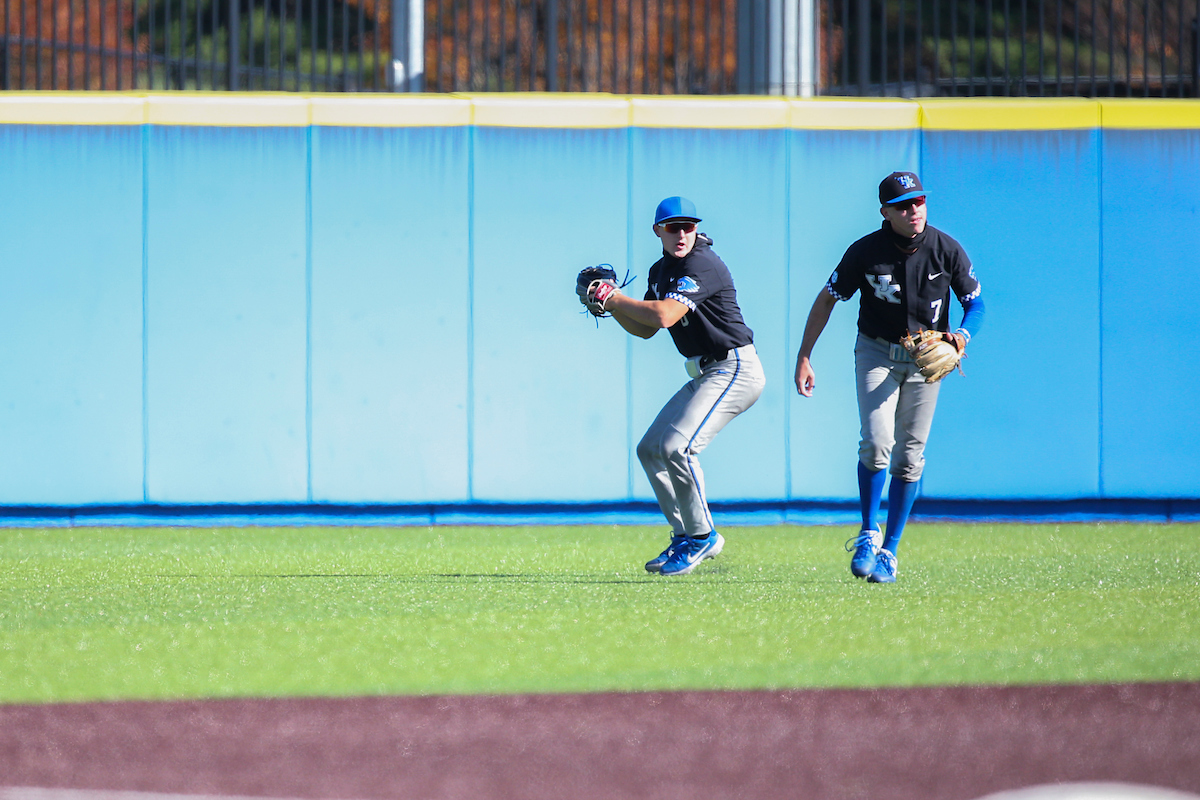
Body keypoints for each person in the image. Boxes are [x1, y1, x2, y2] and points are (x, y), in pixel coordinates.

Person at [793, 172, 985, 584]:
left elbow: (977, 304)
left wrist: (963, 335)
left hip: (926, 362)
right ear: (885, 212)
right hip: (877, 351)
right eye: (902, 205)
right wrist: (805, 354)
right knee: (877, 442)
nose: (912, 210)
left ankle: (889, 551)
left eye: (918, 201)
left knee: (909, 456)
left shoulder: (946, 249)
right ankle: (867, 532)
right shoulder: (865, 252)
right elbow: (828, 298)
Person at [588, 196, 765, 576]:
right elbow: (646, 329)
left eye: (688, 226)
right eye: (673, 227)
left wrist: (616, 296)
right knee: (650, 449)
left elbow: (666, 316)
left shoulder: (702, 263)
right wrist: (613, 307)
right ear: (658, 231)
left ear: (697, 229)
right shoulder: (661, 269)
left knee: (677, 446)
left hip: (735, 367)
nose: (682, 233)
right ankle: (686, 534)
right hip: (708, 372)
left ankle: (702, 536)